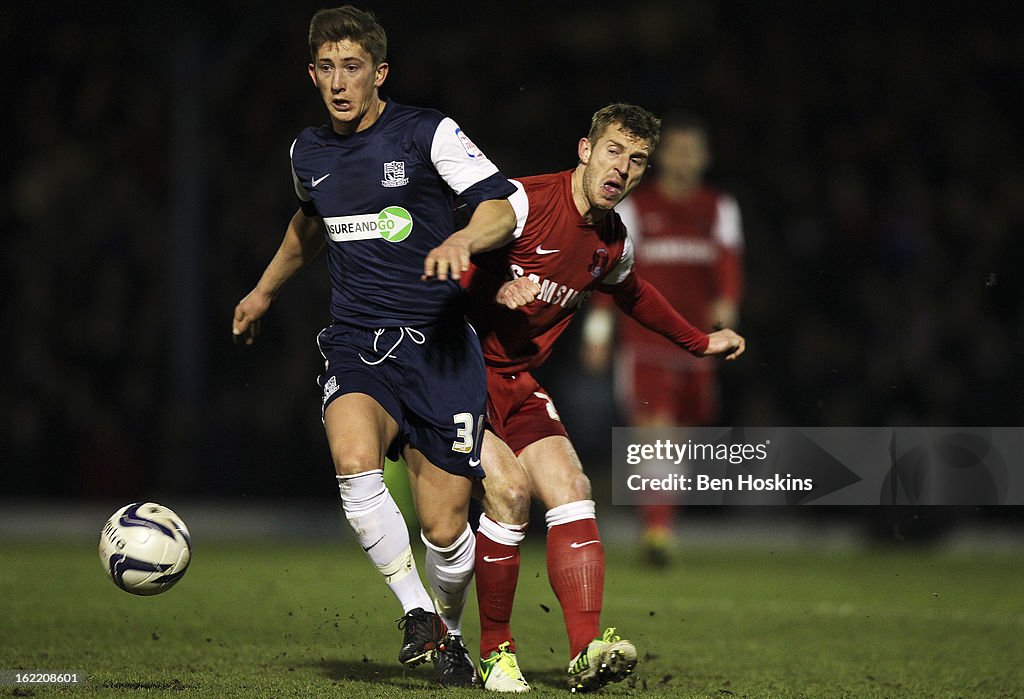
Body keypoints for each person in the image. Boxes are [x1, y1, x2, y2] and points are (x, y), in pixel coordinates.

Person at [231, 6, 518, 688]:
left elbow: (501, 205)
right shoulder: (309, 152)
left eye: (352, 67)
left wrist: (462, 238)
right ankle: (418, 614)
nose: (338, 82)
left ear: (379, 72)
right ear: (312, 74)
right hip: (359, 342)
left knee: (446, 531)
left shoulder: (427, 132)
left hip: (441, 349)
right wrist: (264, 290)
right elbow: (311, 223)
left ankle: (445, 630)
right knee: (354, 458)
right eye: (326, 68)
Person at [423, 103, 745, 692]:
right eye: (614, 151)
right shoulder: (524, 201)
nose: (622, 167)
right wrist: (491, 276)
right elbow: (479, 233)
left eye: (637, 159)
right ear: (585, 150)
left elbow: (636, 294)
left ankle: (585, 649)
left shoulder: (612, 240)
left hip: (517, 381)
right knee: (509, 496)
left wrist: (699, 342)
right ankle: (495, 650)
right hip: (457, 374)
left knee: (572, 489)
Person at [582, 112, 745, 566]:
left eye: (692, 150)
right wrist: (599, 333)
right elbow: (607, 269)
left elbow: (729, 267)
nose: (683, 158)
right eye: (675, 149)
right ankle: (657, 531)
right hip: (645, 345)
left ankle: (658, 519)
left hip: (697, 344)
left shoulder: (719, 208)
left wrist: (727, 307)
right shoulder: (635, 208)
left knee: (680, 439)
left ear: (705, 158)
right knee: (657, 436)